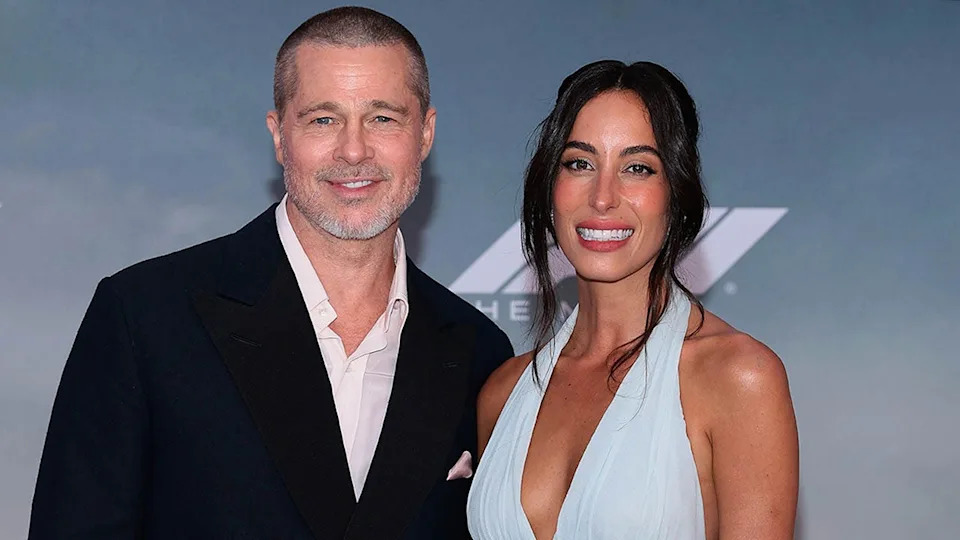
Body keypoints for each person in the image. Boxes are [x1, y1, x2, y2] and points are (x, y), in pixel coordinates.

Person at [29, 7, 513, 539]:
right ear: (279, 135)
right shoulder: (145, 318)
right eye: (323, 119)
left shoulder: (481, 354)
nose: (354, 150)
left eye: (383, 118)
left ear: (425, 133)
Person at [467, 60, 799, 539]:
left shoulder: (737, 378)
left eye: (638, 168)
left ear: (676, 194)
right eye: (580, 163)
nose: (603, 197)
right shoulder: (502, 393)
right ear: (549, 186)